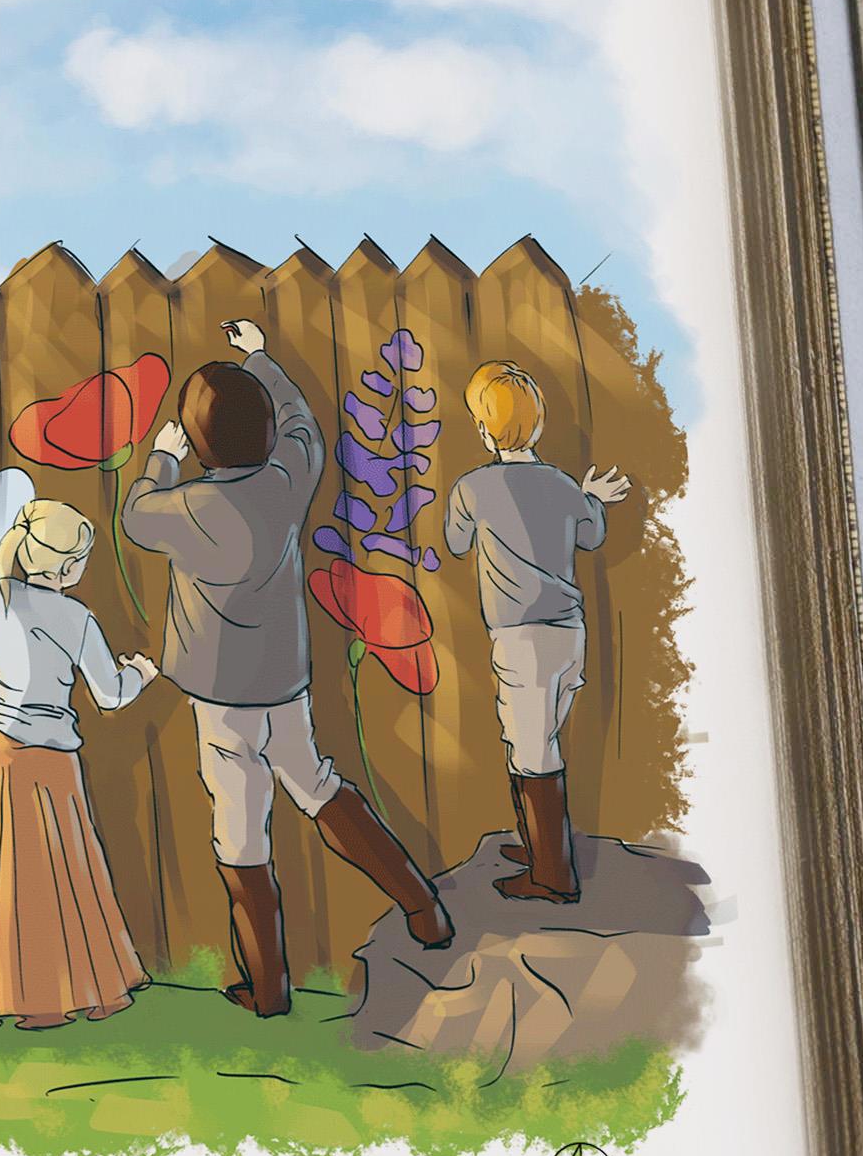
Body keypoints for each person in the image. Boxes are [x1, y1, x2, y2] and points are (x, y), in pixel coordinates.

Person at [123, 319, 450, 1012]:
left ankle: (268, 988)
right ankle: (424, 909)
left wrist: (161, 457)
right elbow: (307, 429)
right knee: (321, 788)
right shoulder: (285, 482)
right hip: (284, 689)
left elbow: (134, 516)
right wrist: (262, 359)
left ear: (198, 444)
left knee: (240, 837)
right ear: (267, 433)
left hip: (219, 700)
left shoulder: (183, 506)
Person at [0, 497, 155, 1028]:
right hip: (52, 759)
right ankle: (75, 992)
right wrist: (141, 674)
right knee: (65, 873)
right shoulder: (76, 617)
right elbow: (110, 694)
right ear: (67, 568)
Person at [443, 362, 631, 906]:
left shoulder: (472, 487)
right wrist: (589, 498)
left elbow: (455, 543)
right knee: (541, 737)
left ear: (483, 430)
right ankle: (538, 847)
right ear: (539, 424)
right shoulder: (563, 485)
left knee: (531, 749)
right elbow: (591, 535)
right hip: (569, 633)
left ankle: (552, 875)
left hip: (519, 637)